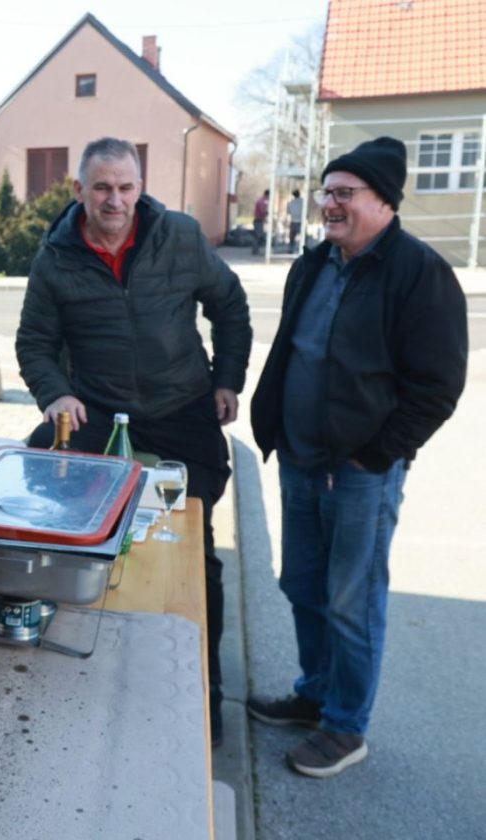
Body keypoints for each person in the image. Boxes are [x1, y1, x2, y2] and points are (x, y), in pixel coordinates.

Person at [16, 136, 252, 747]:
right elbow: (34, 344)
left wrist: (227, 379)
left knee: (191, 546)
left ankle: (205, 694)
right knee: (68, 521)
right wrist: (54, 393)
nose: (114, 200)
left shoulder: (179, 235)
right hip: (97, 409)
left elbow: (230, 306)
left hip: (182, 408)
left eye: (125, 187)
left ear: (140, 188)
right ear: (79, 191)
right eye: (101, 187)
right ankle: (74, 662)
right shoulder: (56, 257)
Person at [247, 137, 467, 778]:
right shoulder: (315, 264)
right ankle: (315, 693)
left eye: (344, 194)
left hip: (361, 473)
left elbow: (436, 388)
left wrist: (376, 457)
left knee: (351, 599)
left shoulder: (418, 273)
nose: (329, 206)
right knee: (303, 587)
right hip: (301, 459)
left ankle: (346, 726)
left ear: (384, 203)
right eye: (326, 193)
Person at [252, 188, 270, 255]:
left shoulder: (261, 200)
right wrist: (267, 213)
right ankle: (255, 251)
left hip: (258, 220)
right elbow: (262, 211)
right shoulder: (262, 201)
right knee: (258, 236)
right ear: (267, 195)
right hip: (258, 220)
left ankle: (256, 250)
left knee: (258, 236)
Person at [286, 188, 304, 254]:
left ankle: (291, 250)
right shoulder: (303, 202)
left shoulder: (290, 203)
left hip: (293, 221)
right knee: (303, 237)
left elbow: (288, 212)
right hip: (300, 221)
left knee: (292, 238)